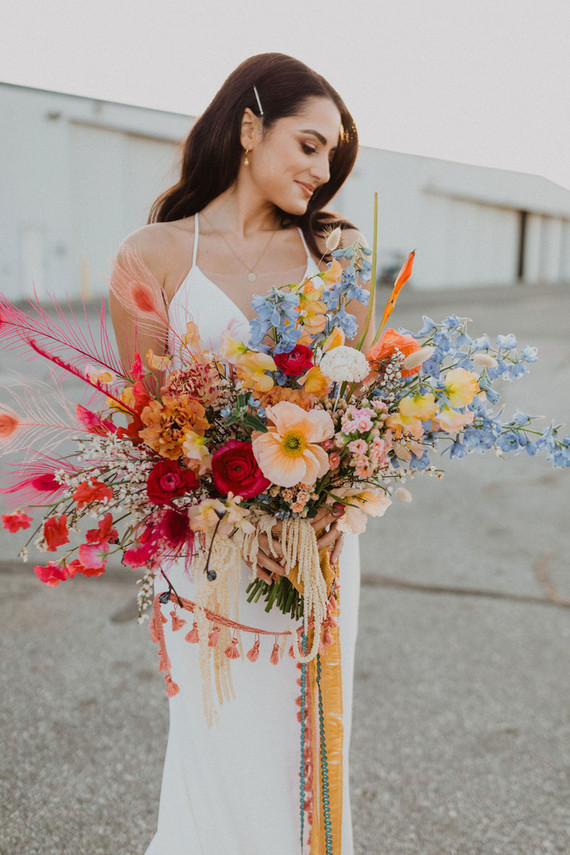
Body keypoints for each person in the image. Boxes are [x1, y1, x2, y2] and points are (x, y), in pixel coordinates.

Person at [109, 52, 373, 855]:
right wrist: (224, 515)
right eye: (309, 145)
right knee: (215, 746)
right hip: (207, 551)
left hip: (316, 548)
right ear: (251, 128)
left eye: (333, 157)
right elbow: (146, 422)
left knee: (306, 750)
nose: (323, 172)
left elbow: (359, 413)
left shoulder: (337, 258)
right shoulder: (149, 255)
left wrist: (322, 509)